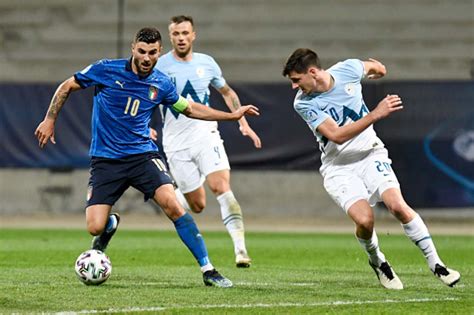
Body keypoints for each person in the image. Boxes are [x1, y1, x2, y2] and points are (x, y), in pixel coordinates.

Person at [34, 27, 260, 288]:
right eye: (142, 51)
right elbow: (67, 85)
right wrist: (50, 119)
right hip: (106, 161)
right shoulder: (106, 70)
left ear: (159, 52)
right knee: (94, 227)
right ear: (133, 48)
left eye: (152, 53)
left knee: (173, 205)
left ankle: (208, 269)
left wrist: (232, 116)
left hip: (143, 156)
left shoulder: (161, 83)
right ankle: (109, 225)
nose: (146, 58)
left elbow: (189, 109)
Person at [282, 48, 460, 289]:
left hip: (370, 154)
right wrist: (375, 114)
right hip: (339, 167)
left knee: (398, 206)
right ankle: (378, 262)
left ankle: (437, 264)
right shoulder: (302, 103)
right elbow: (336, 135)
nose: (294, 87)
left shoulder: (349, 69)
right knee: (365, 221)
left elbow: (375, 68)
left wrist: (380, 70)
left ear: (312, 72)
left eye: (296, 80)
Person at [152, 15, 261, 268]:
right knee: (197, 205)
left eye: (185, 33)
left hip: (206, 135)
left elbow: (227, 92)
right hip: (176, 142)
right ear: (171, 37)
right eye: (176, 34)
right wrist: (145, 125)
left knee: (221, 186)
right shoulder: (160, 66)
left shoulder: (207, 63)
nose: (181, 38)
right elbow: (146, 95)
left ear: (193, 35)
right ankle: (170, 198)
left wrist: (242, 122)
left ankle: (241, 250)